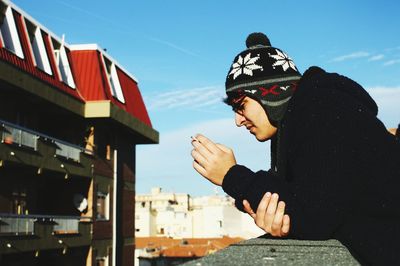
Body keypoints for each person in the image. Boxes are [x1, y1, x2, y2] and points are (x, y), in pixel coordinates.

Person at [191, 32, 400, 265]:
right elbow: (304, 202)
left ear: (269, 94)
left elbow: (313, 215)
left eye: (241, 106)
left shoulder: (323, 113)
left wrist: (232, 176)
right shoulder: (308, 117)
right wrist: (270, 208)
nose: (238, 121)